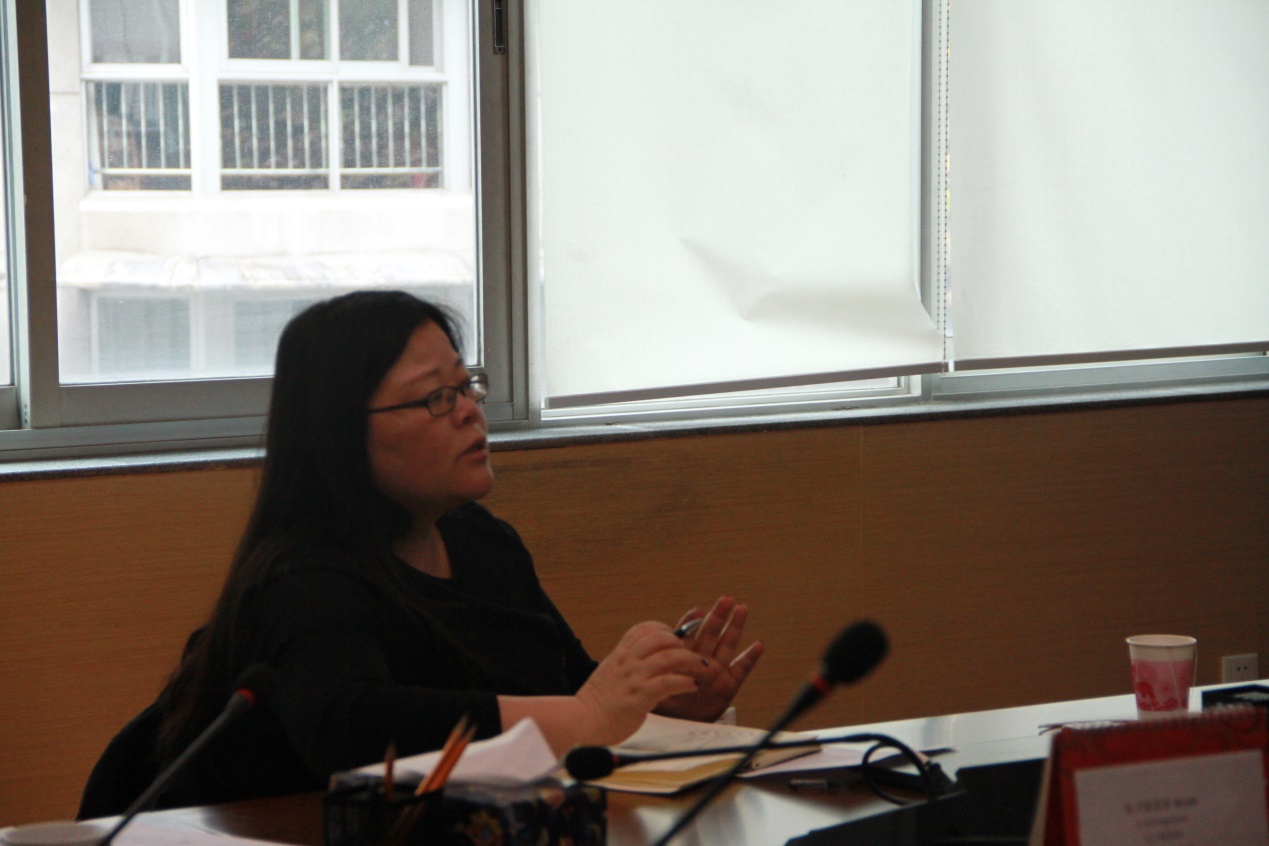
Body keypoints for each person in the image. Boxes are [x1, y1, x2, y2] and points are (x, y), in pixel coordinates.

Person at [134, 291, 763, 808]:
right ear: (342, 432)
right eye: (437, 397)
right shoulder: (303, 580)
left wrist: (658, 707)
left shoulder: (484, 542)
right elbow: (353, 731)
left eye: (467, 387)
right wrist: (586, 715)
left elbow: (568, 690)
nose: (468, 413)